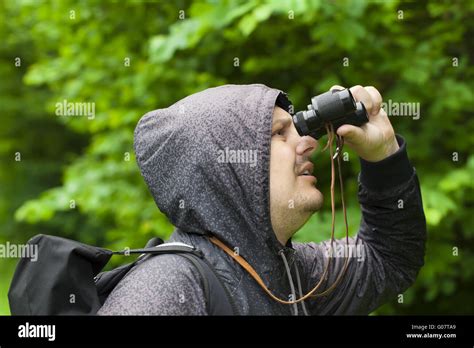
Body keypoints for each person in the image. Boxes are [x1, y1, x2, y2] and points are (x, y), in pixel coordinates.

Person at [98, 84, 426, 315]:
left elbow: (390, 259)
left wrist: (384, 156)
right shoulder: (169, 285)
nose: (308, 142)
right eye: (279, 133)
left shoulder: (296, 275)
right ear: (226, 166)